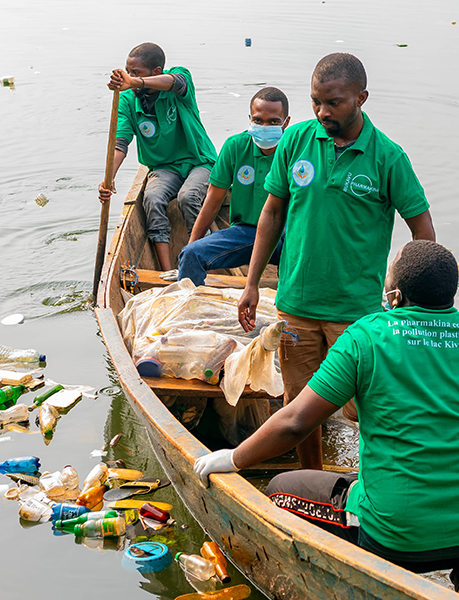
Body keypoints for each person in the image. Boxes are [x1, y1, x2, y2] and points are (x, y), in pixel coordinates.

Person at [197, 241, 459, 600]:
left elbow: (296, 422)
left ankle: (349, 574)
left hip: (392, 537)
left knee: (281, 488)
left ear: (395, 295)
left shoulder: (366, 336)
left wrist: (233, 458)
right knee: (434, 497)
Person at [236, 53, 436, 470]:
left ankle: (374, 486)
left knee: (367, 407)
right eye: (316, 102)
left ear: (361, 97)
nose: (323, 112)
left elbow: (423, 232)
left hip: (357, 313)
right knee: (298, 407)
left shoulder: (387, 157)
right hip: (297, 306)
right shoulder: (296, 141)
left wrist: (411, 298)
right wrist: (252, 282)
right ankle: (314, 483)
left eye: (335, 102)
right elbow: (272, 213)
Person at [98, 42, 218, 272]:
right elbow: (121, 143)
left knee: (188, 197)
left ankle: (202, 263)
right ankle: (166, 272)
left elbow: (176, 82)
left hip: (199, 161)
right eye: (128, 71)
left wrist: (134, 82)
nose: (130, 78)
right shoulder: (127, 100)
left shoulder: (179, 78)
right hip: (164, 167)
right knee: (152, 197)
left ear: (156, 72)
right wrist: (108, 179)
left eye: (136, 72)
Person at [176, 87, 291, 286]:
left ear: (286, 123)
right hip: (247, 233)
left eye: (273, 122)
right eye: (258, 120)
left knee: (299, 269)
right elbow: (212, 203)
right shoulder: (235, 146)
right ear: (250, 119)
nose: (264, 126)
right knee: (191, 255)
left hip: (287, 234)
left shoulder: (295, 149)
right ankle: (193, 312)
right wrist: (191, 246)